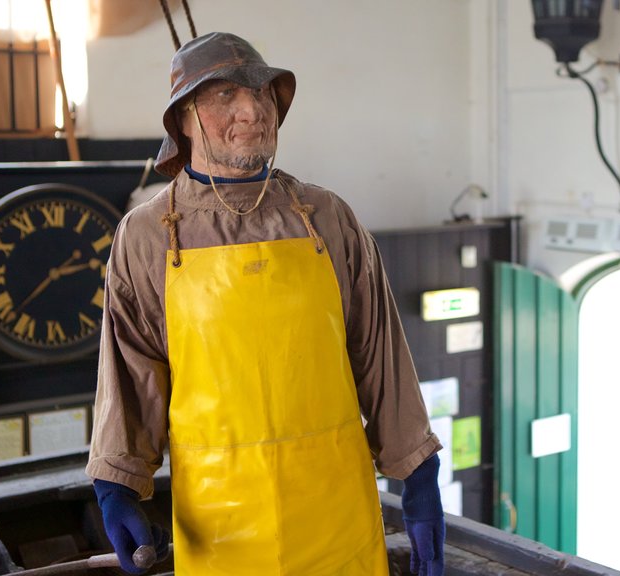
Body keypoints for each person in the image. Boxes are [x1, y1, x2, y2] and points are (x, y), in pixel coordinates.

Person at [85, 32, 444, 576]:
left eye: (261, 91)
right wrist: (116, 486)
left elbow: (382, 356)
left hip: (337, 509)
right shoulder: (148, 235)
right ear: (182, 119)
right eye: (224, 95)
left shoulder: (327, 218)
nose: (253, 108)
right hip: (218, 526)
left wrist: (418, 476)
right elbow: (129, 373)